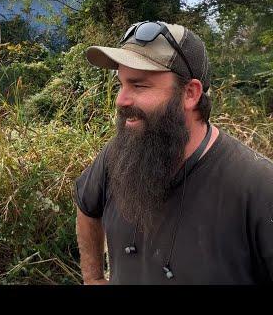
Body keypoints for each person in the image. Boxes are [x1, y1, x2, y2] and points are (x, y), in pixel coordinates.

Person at [74, 20, 273, 285]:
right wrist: (93, 277)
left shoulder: (258, 185)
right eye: (121, 84)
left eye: (139, 85)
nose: (120, 100)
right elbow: (86, 207)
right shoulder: (118, 155)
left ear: (190, 93)